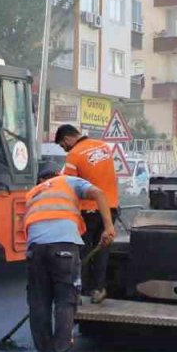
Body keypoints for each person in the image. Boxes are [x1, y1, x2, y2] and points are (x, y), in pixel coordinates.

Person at [23, 164, 115, 352]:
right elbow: (99, 193)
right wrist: (108, 227)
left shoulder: (33, 194)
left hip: (35, 249)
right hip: (63, 246)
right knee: (65, 300)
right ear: (57, 174)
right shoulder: (67, 181)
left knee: (39, 303)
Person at [54, 124, 120, 304]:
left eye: (62, 145)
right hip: (110, 207)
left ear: (67, 139)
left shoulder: (74, 155)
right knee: (103, 249)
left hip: (87, 211)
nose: (64, 148)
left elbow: (68, 185)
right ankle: (99, 289)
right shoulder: (104, 147)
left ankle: (82, 290)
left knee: (82, 250)